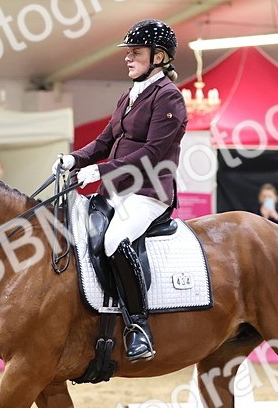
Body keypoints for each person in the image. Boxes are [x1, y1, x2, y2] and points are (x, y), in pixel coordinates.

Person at [52, 19, 188, 362]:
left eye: (136, 52)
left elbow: (152, 155)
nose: (128, 58)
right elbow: (104, 141)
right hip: (117, 191)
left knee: (114, 241)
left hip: (148, 193)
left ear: (159, 57)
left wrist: (98, 171)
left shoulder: (169, 97)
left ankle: (138, 326)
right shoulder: (129, 95)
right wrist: (73, 159)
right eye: (128, 52)